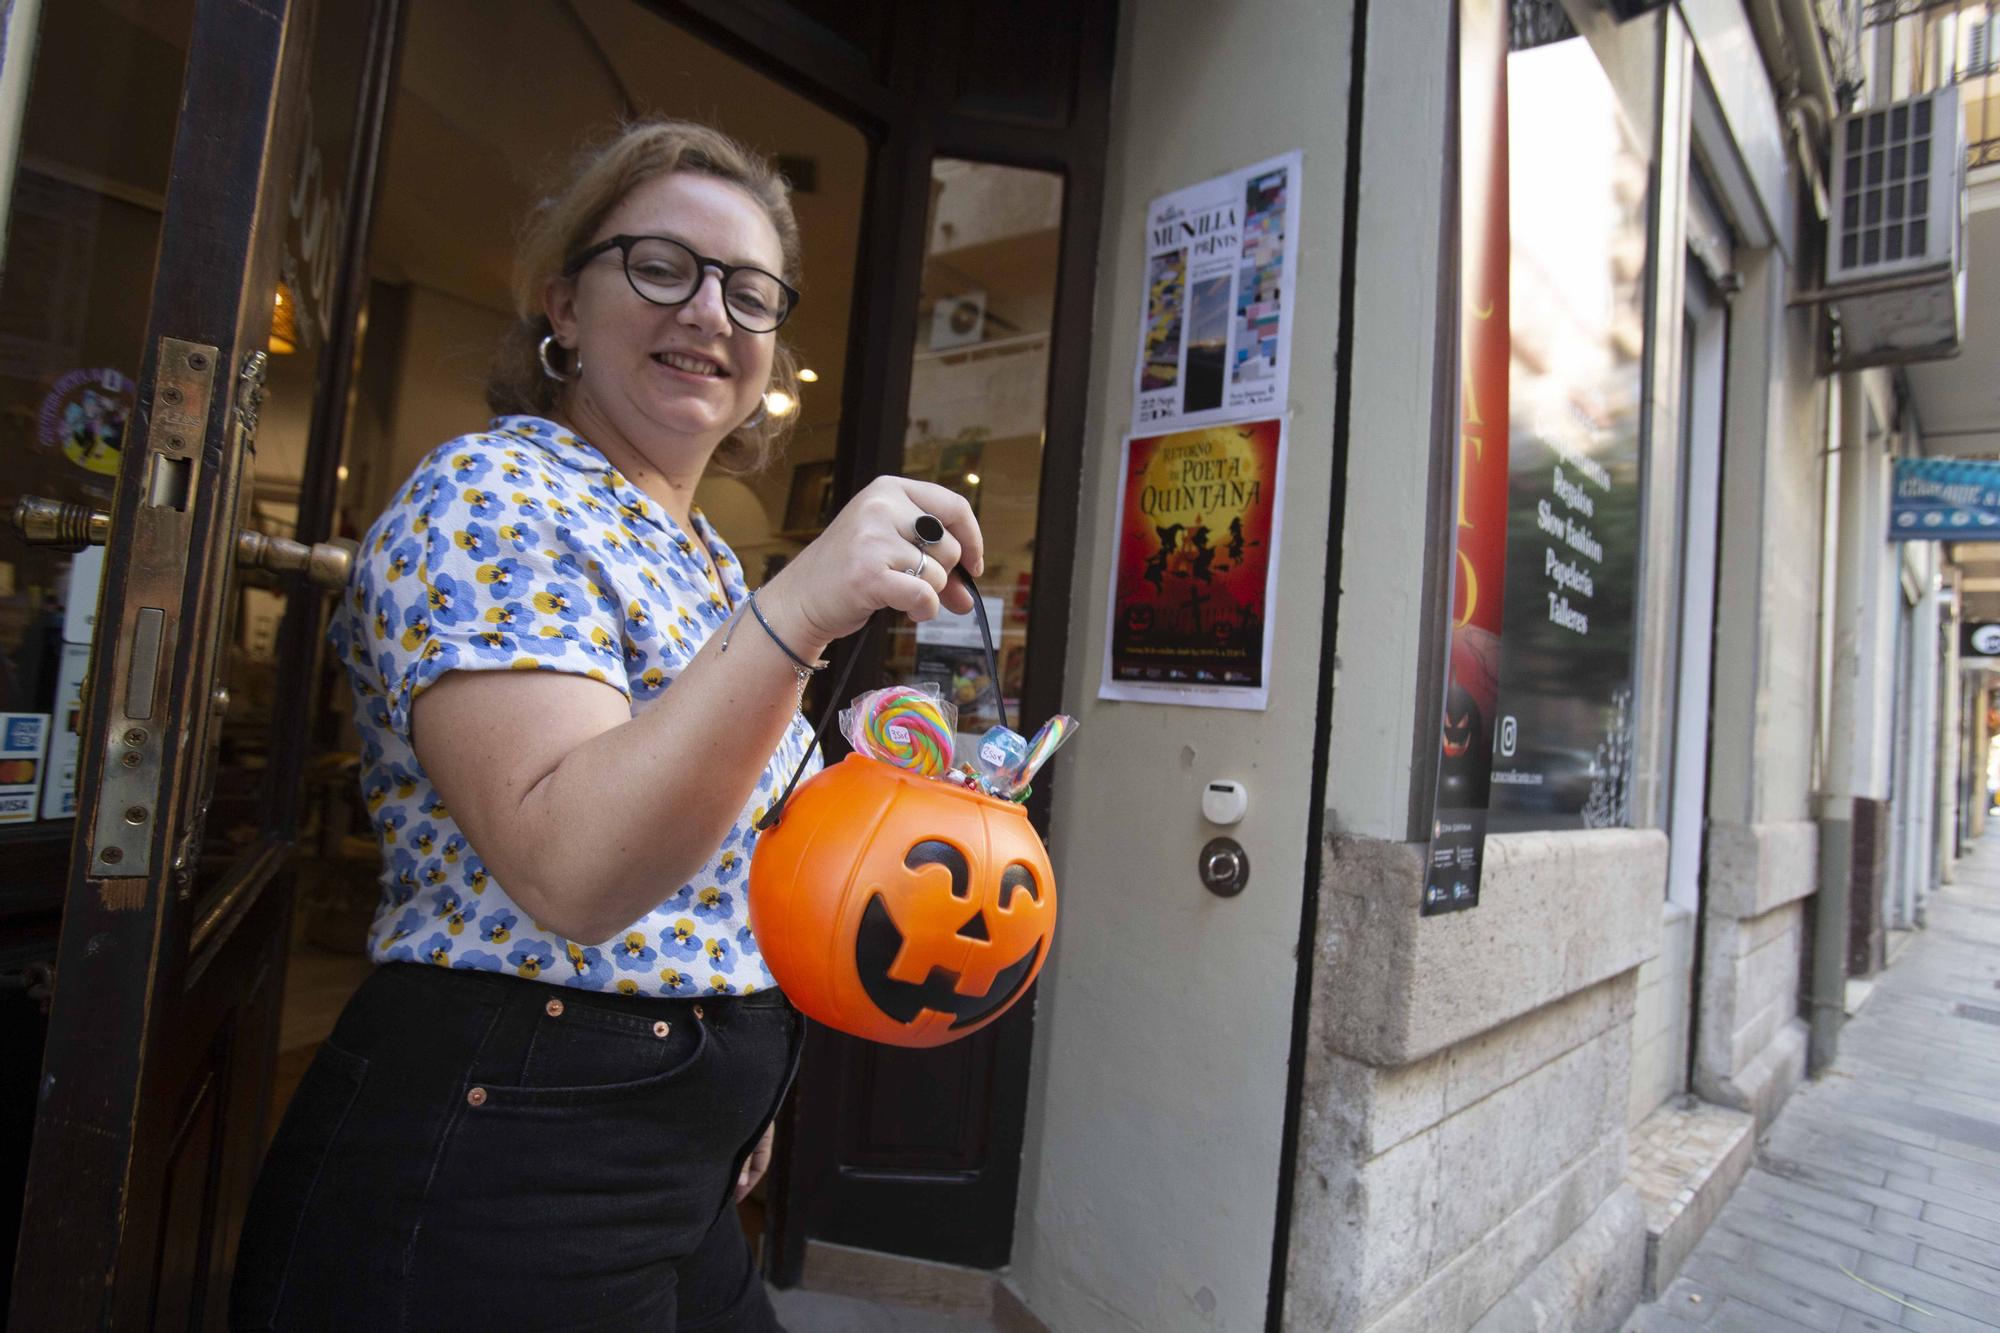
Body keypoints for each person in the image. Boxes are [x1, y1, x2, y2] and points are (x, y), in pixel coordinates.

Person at [231, 119, 984, 1332]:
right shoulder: (489, 491)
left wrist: (746, 1073)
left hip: (670, 1162)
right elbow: (573, 869)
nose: (708, 313)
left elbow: (719, 870)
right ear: (562, 306)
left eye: (748, 292)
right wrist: (803, 604)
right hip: (508, 1162)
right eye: (659, 266)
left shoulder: (695, 557)